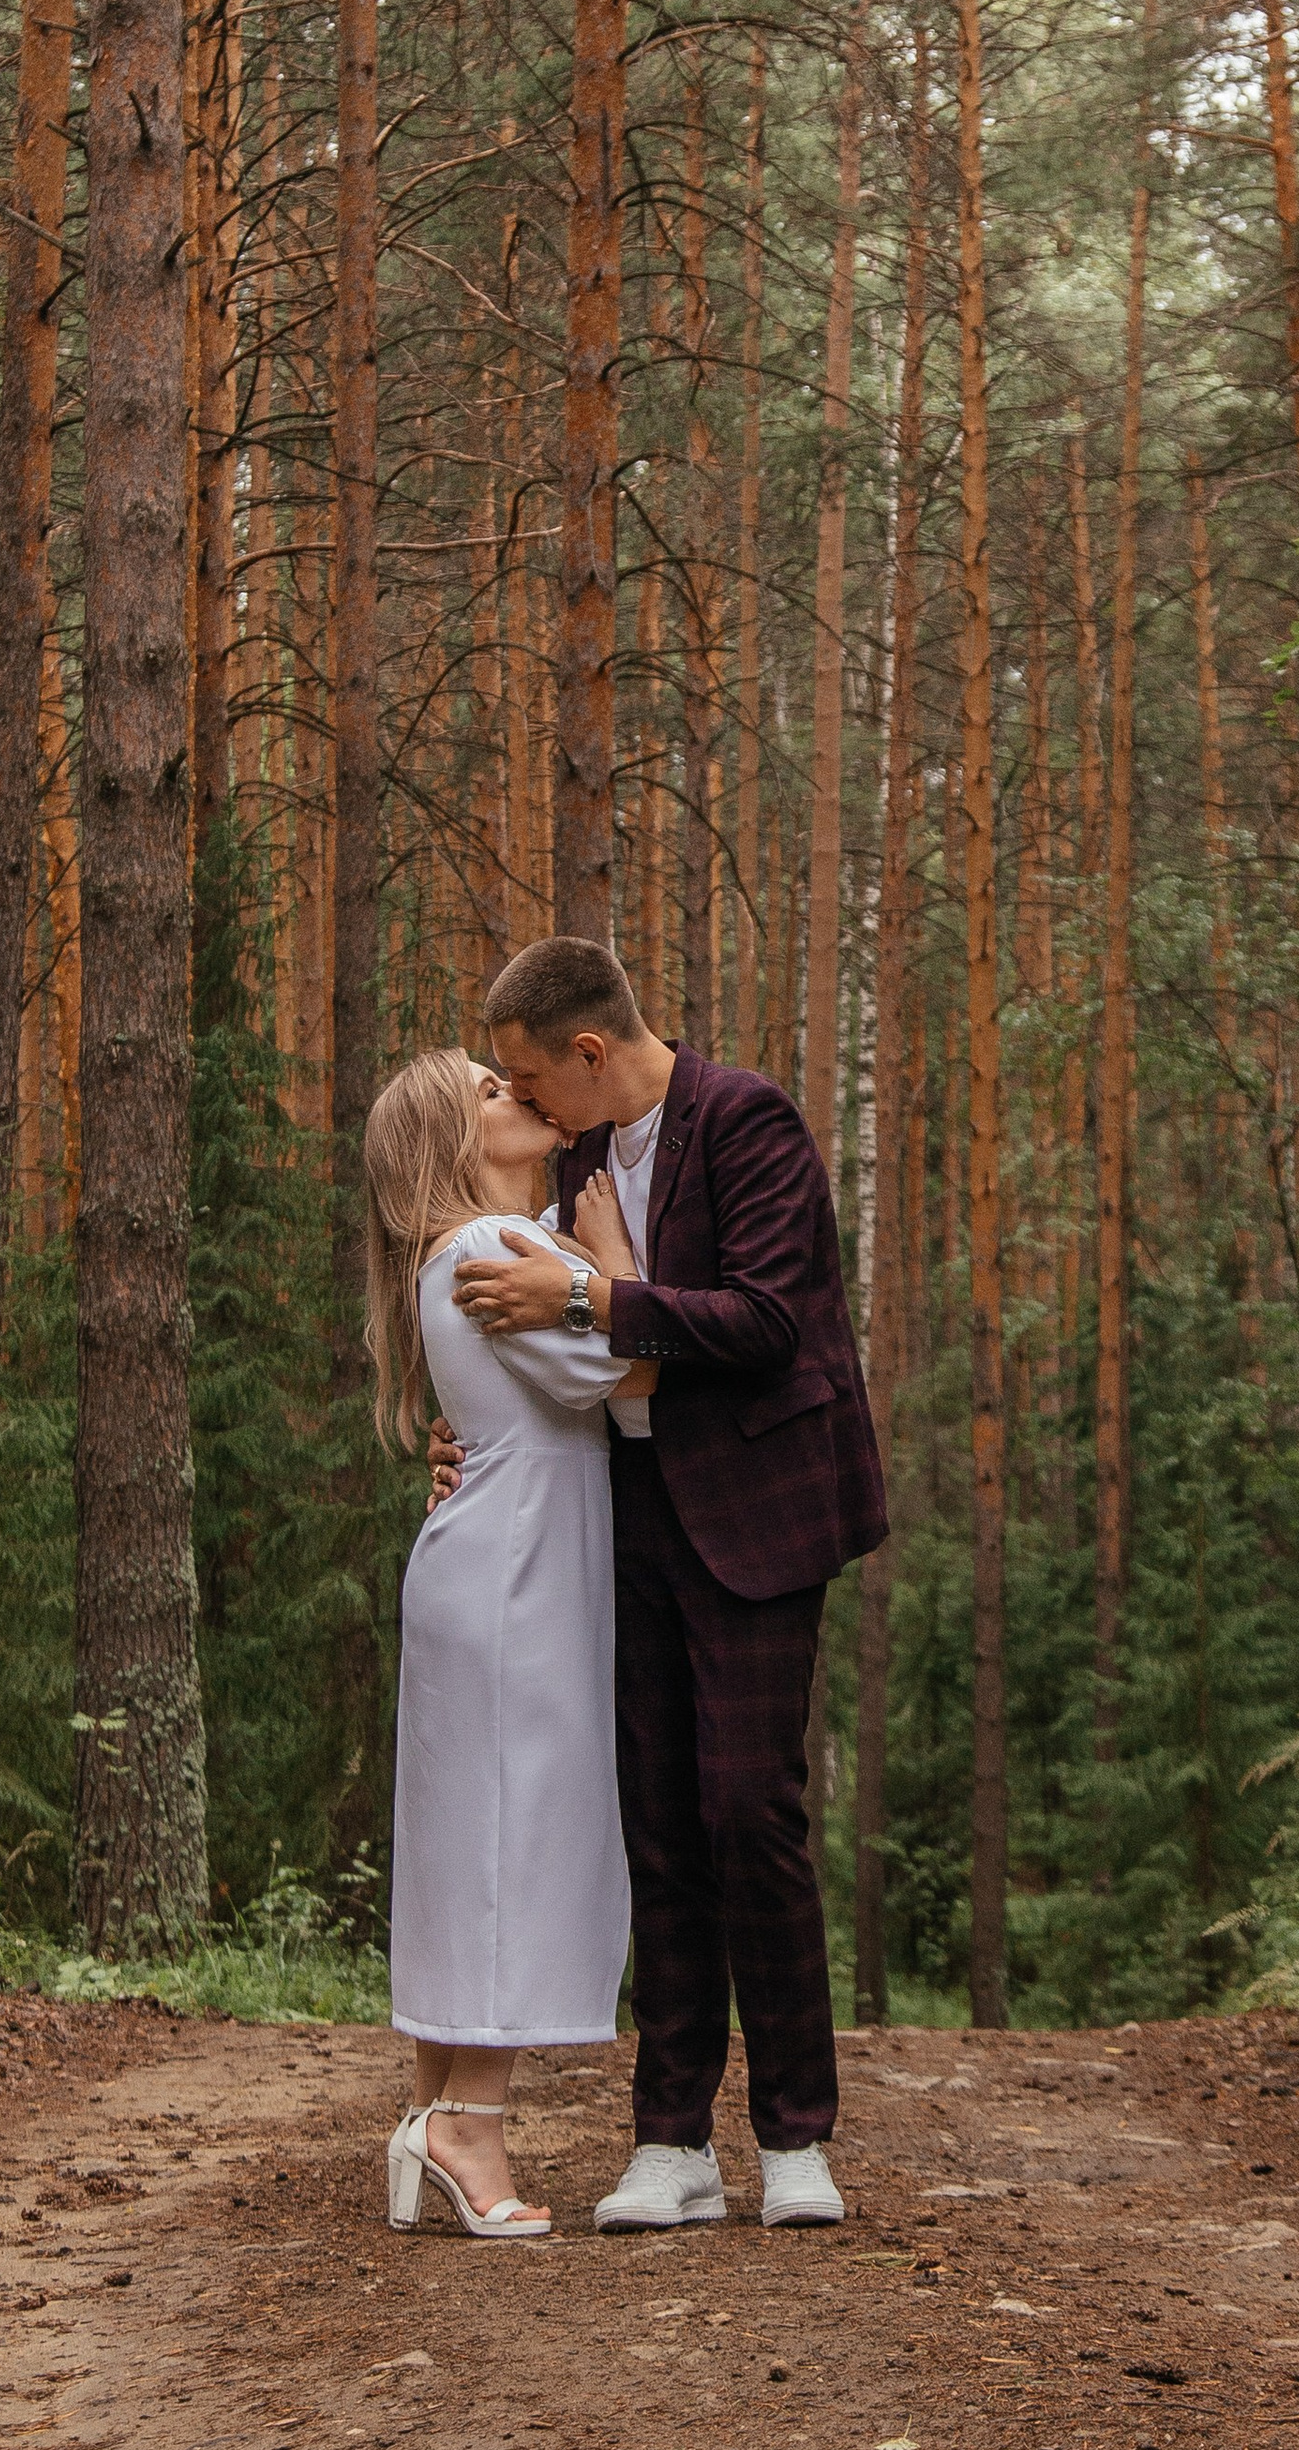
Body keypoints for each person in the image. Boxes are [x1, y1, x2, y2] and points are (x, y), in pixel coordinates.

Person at [436, 937, 887, 2232]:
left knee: (751, 1813)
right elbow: (532, 1344)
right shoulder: (573, 1156)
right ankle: (672, 2140)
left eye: (531, 1080)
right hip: (623, 1518)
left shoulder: (745, 1123)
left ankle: (796, 2139)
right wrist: (460, 1427)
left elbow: (768, 1324)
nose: (521, 1105)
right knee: (660, 1828)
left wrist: (596, 1294)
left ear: (588, 1053)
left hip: (756, 1514)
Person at [362, 1047, 654, 2238]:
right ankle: (466, 2121)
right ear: (449, 1145)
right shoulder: (490, 1251)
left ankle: (436, 2101)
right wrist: (622, 1268)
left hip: (498, 1552)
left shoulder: (490, 1244)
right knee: (517, 1827)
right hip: (518, 1565)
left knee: (472, 1830)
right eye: (489, 1092)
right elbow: (625, 1382)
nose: (518, 1094)